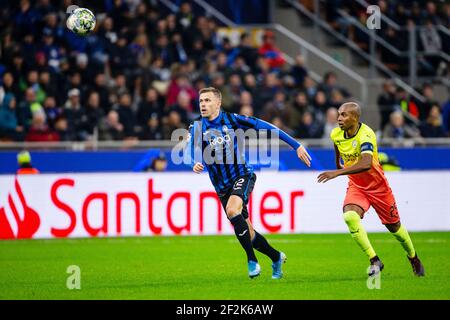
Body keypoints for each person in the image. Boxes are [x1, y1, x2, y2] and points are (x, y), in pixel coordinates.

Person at [184, 87, 312, 279]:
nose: (203, 104)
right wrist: (194, 161)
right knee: (248, 232)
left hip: (242, 174)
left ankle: (252, 261)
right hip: (221, 186)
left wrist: (296, 145)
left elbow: (267, 127)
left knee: (232, 211)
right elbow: (187, 150)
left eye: (208, 100)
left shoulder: (233, 119)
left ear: (218, 103)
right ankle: (276, 257)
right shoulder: (196, 127)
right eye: (201, 101)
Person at [317, 102, 424, 277]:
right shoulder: (335, 133)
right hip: (357, 186)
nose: (339, 118)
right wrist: (338, 162)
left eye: (344, 115)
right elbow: (337, 144)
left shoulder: (366, 134)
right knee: (349, 215)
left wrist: (338, 171)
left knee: (395, 228)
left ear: (355, 117)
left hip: (378, 187)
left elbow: (366, 163)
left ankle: (413, 257)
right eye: (339, 114)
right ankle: (374, 260)